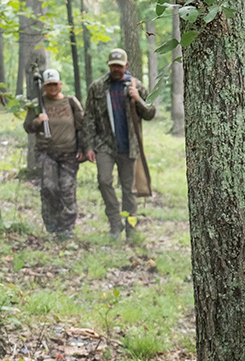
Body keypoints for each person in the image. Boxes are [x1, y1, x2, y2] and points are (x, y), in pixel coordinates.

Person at [85, 46, 156, 240]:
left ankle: (131, 228)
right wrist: (89, 146)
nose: (117, 69)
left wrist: (138, 98)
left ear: (126, 65)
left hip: (129, 147)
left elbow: (150, 114)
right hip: (104, 145)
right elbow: (89, 117)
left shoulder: (136, 85)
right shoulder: (97, 87)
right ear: (109, 65)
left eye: (120, 66)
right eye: (113, 66)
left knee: (129, 190)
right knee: (104, 181)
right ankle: (115, 223)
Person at [23, 67, 92, 237]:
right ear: (44, 86)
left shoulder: (70, 102)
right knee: (49, 188)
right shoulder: (37, 104)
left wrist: (84, 148)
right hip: (46, 153)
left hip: (69, 154)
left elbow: (82, 126)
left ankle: (66, 229)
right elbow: (27, 128)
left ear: (60, 84)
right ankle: (51, 223)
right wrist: (37, 121)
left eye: (55, 84)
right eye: (48, 85)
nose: (52, 88)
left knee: (67, 191)